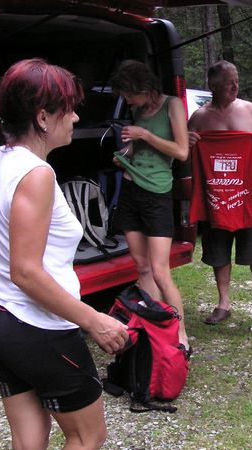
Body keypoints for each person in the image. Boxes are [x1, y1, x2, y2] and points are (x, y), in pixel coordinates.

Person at [0, 58, 129, 450]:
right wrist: (94, 320)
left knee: (28, 446)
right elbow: (27, 273)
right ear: (43, 117)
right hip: (39, 331)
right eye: (69, 109)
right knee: (87, 437)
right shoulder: (36, 174)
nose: (76, 117)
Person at [188, 60, 252, 326]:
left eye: (237, 82)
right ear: (213, 86)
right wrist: (188, 141)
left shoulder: (248, 109)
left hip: (246, 195)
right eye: (229, 83)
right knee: (218, 251)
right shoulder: (200, 117)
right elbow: (182, 153)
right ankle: (223, 303)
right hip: (215, 197)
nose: (235, 87)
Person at [110, 59, 190, 349]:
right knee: (142, 266)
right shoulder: (138, 109)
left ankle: (180, 335)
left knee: (159, 270)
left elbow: (181, 151)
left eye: (129, 95)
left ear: (142, 87)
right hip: (131, 189)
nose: (127, 101)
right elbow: (139, 148)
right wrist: (125, 155)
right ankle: (154, 330)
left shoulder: (172, 105)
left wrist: (144, 134)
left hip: (157, 192)